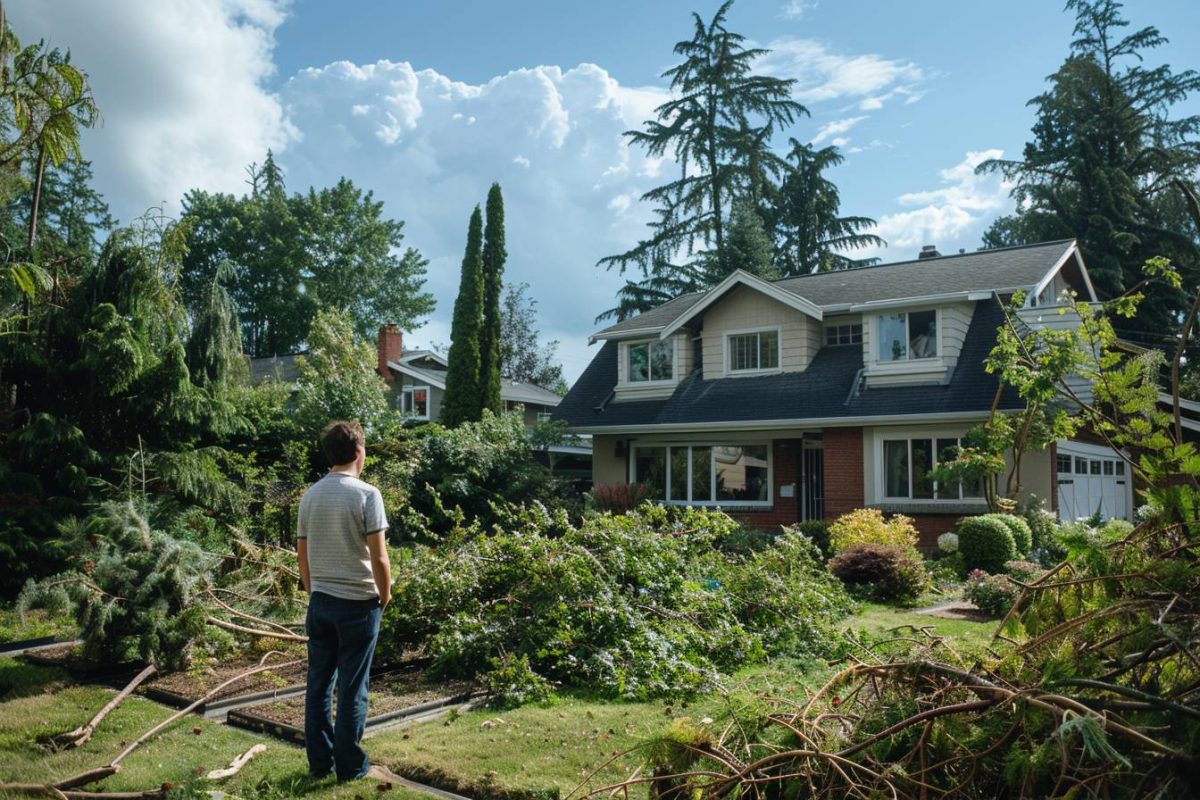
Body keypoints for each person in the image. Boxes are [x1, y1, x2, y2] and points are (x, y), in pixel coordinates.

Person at [297, 420, 392, 782]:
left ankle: (320, 764)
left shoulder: (311, 495)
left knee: (318, 685)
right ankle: (351, 768)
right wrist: (385, 596)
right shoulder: (367, 495)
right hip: (358, 604)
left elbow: (301, 554)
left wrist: (313, 591)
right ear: (359, 452)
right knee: (353, 687)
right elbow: (380, 558)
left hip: (320, 602)